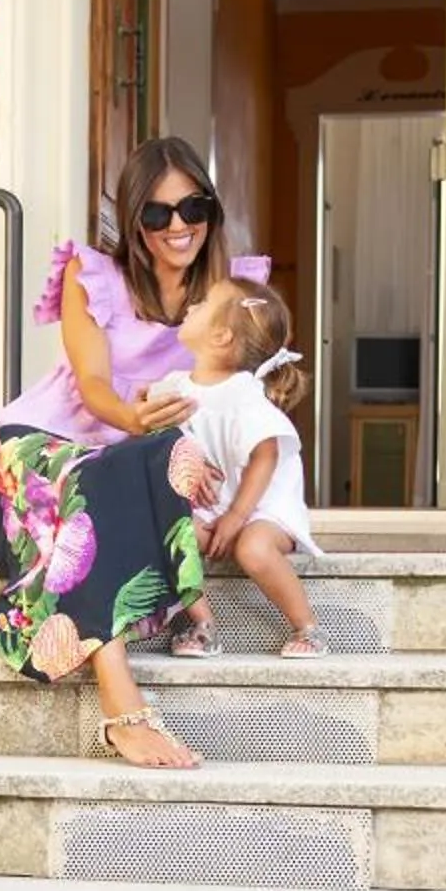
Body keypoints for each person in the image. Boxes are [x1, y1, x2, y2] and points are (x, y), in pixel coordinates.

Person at [0, 136, 272, 769]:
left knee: (138, 464)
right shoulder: (93, 275)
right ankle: (122, 708)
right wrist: (134, 422)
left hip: (135, 469)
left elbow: (244, 407)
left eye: (193, 207)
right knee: (104, 476)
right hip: (30, 453)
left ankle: (76, 601)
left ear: (212, 210)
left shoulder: (233, 294)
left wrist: (238, 504)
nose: (178, 226)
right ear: (134, 221)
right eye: (157, 214)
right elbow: (94, 386)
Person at [151, 276, 323, 658]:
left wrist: (237, 515)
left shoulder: (243, 393)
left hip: (262, 507)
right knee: (169, 532)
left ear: (221, 337)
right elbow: (148, 424)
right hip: (210, 506)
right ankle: (203, 625)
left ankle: (307, 627)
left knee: (254, 549)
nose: (191, 307)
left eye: (203, 304)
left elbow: (266, 454)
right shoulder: (176, 386)